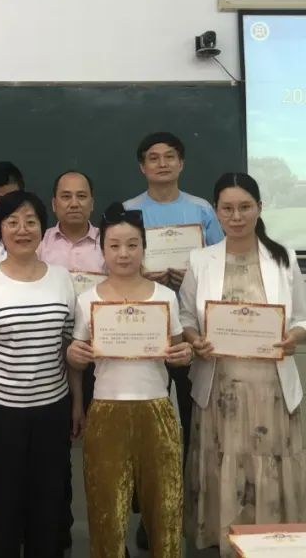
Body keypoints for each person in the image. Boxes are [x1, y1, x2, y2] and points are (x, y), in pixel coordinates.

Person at [180, 173, 306, 555]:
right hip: (219, 388)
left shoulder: (283, 258)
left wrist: (294, 337)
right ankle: (226, 544)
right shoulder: (201, 260)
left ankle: (273, 545)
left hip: (271, 389)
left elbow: (304, 320)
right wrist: (195, 341)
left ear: (259, 208)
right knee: (222, 466)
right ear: (216, 212)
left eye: (244, 207)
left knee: (271, 466)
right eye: (227, 208)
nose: (236, 216)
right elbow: (186, 317)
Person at [0, 190, 83, 558]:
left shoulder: (61, 278)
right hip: (1, 413)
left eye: (30, 221)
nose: (22, 229)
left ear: (43, 229)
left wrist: (76, 402)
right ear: (0, 230)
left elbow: (68, 347)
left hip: (52, 410)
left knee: (49, 506)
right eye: (12, 222)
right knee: (4, 509)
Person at [67, 203, 192, 558]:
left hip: (157, 410)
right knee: (106, 509)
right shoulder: (87, 299)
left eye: (132, 245)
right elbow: (76, 359)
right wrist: (74, 358)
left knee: (165, 508)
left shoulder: (165, 298)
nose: (124, 253)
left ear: (144, 248)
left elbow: (180, 350)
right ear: (103, 249)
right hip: (106, 410)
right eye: (115, 245)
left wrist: (184, 355)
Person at [124, 131, 223, 466]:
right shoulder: (129, 210)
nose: (162, 164)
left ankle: (193, 488)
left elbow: (219, 263)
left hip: (194, 329)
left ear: (181, 163)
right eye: (153, 158)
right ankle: (149, 494)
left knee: (195, 415)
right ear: (142, 167)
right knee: (148, 417)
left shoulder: (202, 209)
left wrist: (195, 277)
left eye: (169, 156)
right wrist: (141, 276)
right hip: (144, 328)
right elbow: (117, 264)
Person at [38, 169, 104, 549]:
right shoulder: (38, 245)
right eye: (66, 196)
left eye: (81, 196)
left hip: (103, 358)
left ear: (92, 202)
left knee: (104, 452)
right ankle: (57, 526)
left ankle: (108, 535)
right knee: (54, 452)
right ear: (54, 203)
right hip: (48, 357)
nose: (74, 203)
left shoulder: (110, 244)